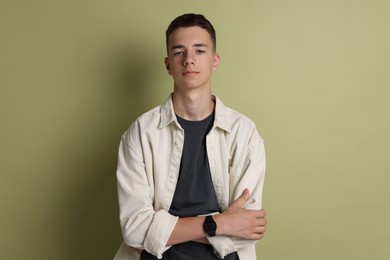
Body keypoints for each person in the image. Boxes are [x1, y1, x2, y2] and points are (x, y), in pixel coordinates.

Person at [114, 13, 267, 260]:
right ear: (167, 64)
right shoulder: (140, 133)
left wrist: (167, 228)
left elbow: (248, 228)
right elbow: (134, 230)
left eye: (199, 51)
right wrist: (217, 224)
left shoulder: (244, 133)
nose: (189, 60)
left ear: (215, 61)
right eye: (178, 52)